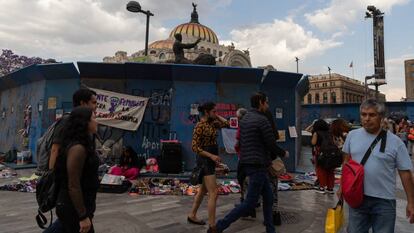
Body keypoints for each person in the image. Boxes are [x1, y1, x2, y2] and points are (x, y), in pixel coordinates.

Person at [213, 92, 286, 233]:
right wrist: (283, 153)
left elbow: (240, 143)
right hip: (258, 164)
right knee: (250, 203)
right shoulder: (262, 119)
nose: (267, 105)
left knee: (268, 197)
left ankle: (270, 230)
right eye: (266, 102)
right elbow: (271, 142)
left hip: (250, 163)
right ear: (260, 102)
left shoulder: (245, 119)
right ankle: (219, 226)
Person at [339, 99, 414, 232]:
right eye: (363, 114)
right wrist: (342, 188)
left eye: (372, 115)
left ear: (381, 117)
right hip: (358, 198)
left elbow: (405, 173)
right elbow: (346, 163)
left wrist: (411, 202)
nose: (367, 118)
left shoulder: (396, 142)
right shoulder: (352, 136)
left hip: (384, 201)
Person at [43, 88, 97, 233]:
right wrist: (83, 215)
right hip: (72, 206)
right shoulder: (76, 146)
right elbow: (73, 183)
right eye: (93, 103)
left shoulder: (83, 140)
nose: (96, 107)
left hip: (75, 205)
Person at [54, 107, 100, 233]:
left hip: (79, 206)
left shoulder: (84, 144)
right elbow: (73, 184)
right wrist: (82, 216)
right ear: (85, 122)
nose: (97, 121)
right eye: (94, 118)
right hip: (73, 209)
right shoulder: (78, 149)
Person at [187, 102, 229, 229]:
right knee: (214, 192)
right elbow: (194, 147)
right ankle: (212, 226)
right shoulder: (199, 126)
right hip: (204, 160)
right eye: (214, 111)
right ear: (206, 112)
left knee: (204, 190)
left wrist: (216, 116)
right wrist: (211, 156)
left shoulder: (212, 123)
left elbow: (227, 123)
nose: (216, 114)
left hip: (210, 159)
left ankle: (192, 215)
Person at [311, 119, 335, 194]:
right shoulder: (330, 133)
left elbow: (313, 143)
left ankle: (321, 187)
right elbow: (333, 142)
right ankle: (330, 188)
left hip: (320, 154)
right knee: (330, 171)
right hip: (331, 154)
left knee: (321, 170)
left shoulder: (316, 133)